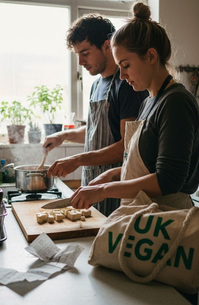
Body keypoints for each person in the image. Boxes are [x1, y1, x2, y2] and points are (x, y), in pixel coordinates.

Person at [70, 2, 199, 212]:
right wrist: (112, 174)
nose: (122, 76)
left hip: (169, 217)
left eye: (126, 65)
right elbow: (145, 167)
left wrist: (104, 190)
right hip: (146, 213)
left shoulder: (176, 102)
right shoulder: (149, 102)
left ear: (151, 56)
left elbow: (168, 180)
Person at [44, 14, 148, 216]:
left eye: (85, 53)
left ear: (107, 46)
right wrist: (64, 136)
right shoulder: (96, 85)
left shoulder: (126, 85)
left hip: (115, 187)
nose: (81, 61)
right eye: (77, 54)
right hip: (92, 184)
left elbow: (127, 146)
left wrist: (77, 160)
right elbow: (95, 132)